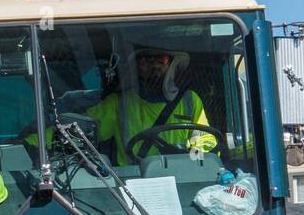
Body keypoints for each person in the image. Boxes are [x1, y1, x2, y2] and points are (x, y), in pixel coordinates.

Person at [85, 48, 216, 166]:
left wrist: (191, 157)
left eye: (161, 60)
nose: (154, 66)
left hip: (180, 177)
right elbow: (82, 130)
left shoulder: (189, 100)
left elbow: (206, 139)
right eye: (146, 60)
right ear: (137, 66)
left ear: (172, 64)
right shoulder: (118, 102)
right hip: (133, 181)